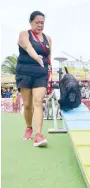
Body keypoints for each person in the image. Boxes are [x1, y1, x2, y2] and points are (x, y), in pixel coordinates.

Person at [16, 11, 52, 147]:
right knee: (27, 105)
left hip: (40, 74)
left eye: (42, 22)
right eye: (37, 22)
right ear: (31, 22)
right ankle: (28, 127)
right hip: (24, 73)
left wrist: (48, 69)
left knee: (38, 102)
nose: (40, 25)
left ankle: (38, 135)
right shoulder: (24, 34)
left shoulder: (48, 38)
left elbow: (49, 58)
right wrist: (37, 58)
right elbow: (28, 47)